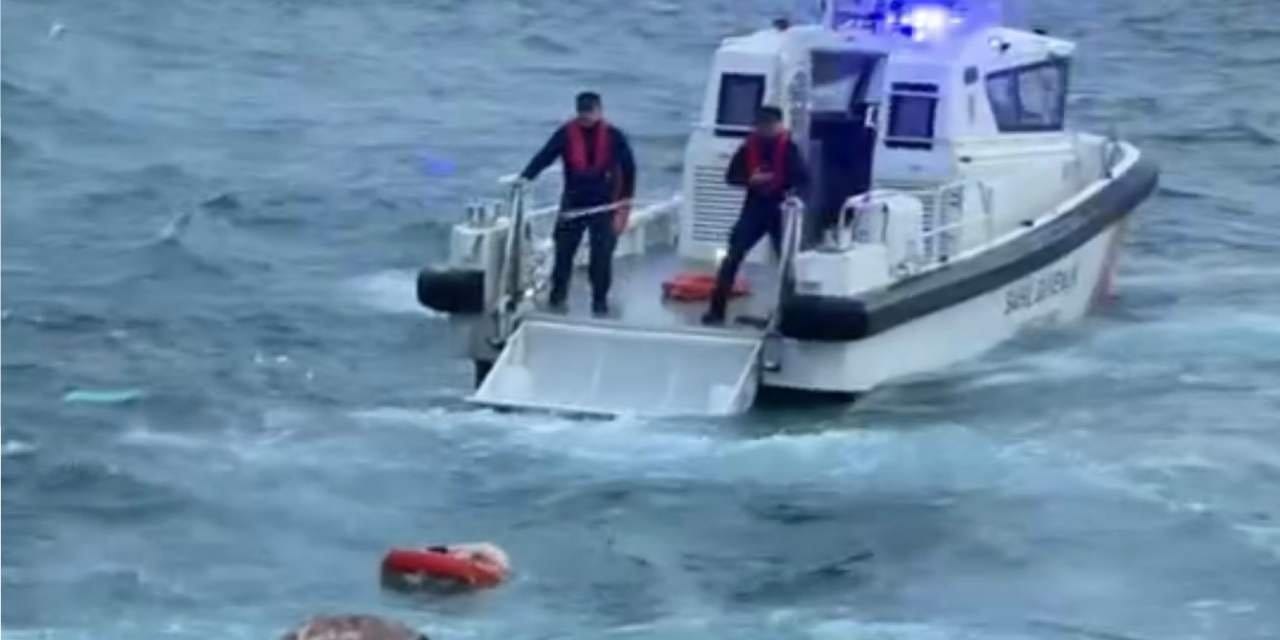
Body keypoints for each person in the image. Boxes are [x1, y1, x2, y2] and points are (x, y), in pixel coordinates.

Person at [519, 91, 637, 316]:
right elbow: (545, 156)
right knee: (563, 253)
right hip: (573, 204)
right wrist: (526, 177)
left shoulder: (614, 136)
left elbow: (629, 170)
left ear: (599, 111)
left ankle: (599, 301)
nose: (586, 117)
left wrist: (624, 204)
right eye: (582, 113)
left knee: (601, 257)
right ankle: (557, 296)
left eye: (590, 112)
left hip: (605, 206)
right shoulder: (565, 134)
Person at [702, 106, 809, 325]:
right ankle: (716, 310)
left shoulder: (789, 148)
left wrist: (787, 188)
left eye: (769, 124)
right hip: (755, 208)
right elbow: (731, 177)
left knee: (787, 263)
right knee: (733, 256)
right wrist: (750, 180)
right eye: (761, 124)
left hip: (781, 209)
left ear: (779, 125)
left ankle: (788, 313)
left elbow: (803, 179)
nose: (764, 128)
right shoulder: (748, 147)